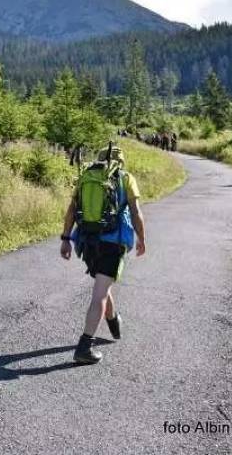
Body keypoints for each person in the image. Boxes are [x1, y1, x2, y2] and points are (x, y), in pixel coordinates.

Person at [59, 145, 147, 364]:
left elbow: (72, 209)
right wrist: (142, 239)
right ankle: (85, 346)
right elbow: (135, 211)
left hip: (87, 241)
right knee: (99, 293)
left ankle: (113, 322)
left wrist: (65, 239)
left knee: (102, 285)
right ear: (121, 162)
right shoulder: (126, 178)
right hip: (112, 243)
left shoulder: (86, 176)